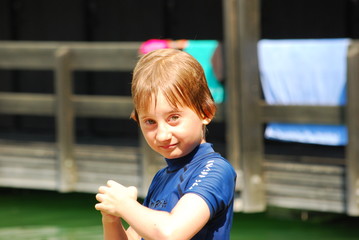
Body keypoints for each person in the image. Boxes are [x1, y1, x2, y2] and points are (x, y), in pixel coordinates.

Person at [95, 48, 236, 240]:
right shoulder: (161, 178)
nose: (162, 135)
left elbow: (171, 233)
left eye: (174, 118)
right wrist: (111, 219)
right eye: (150, 122)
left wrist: (126, 206)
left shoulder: (216, 170)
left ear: (206, 112)